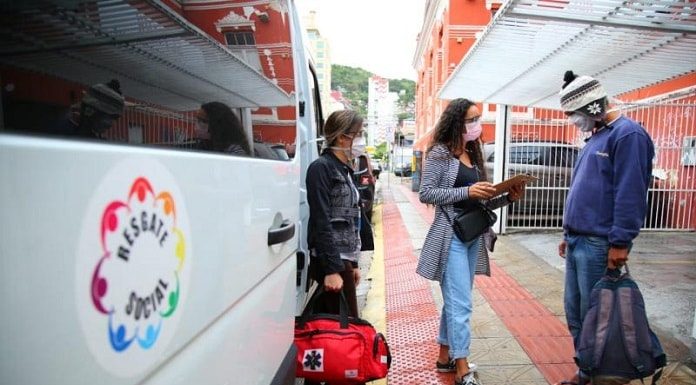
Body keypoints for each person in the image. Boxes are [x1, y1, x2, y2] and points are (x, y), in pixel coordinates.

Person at [554, 71, 655, 385]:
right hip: (578, 240)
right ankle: (587, 371)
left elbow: (630, 192)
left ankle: (599, 375)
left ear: (592, 107)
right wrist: (566, 232)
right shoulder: (595, 137)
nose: (573, 120)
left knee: (596, 316)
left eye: (575, 114)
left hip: (600, 243)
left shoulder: (627, 136)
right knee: (576, 313)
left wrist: (621, 242)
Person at [417, 98, 525, 385]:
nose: (477, 125)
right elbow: (427, 193)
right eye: (471, 120)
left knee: (454, 300)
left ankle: (444, 358)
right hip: (449, 236)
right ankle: (462, 366)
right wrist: (467, 191)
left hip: (471, 235)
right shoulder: (440, 153)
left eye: (478, 119)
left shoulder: (472, 153)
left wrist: (506, 197)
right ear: (456, 122)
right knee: (461, 303)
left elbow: (480, 200)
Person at [306, 109, 364, 318]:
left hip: (344, 260)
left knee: (342, 327)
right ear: (342, 137)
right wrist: (331, 270)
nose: (361, 140)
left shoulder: (345, 169)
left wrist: (355, 262)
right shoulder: (320, 168)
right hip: (332, 260)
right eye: (359, 134)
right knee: (344, 328)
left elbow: (351, 219)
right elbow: (321, 220)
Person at [51, 79, 125, 139]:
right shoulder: (61, 133)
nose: (111, 124)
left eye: (115, 118)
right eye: (109, 117)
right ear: (90, 111)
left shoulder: (80, 131)